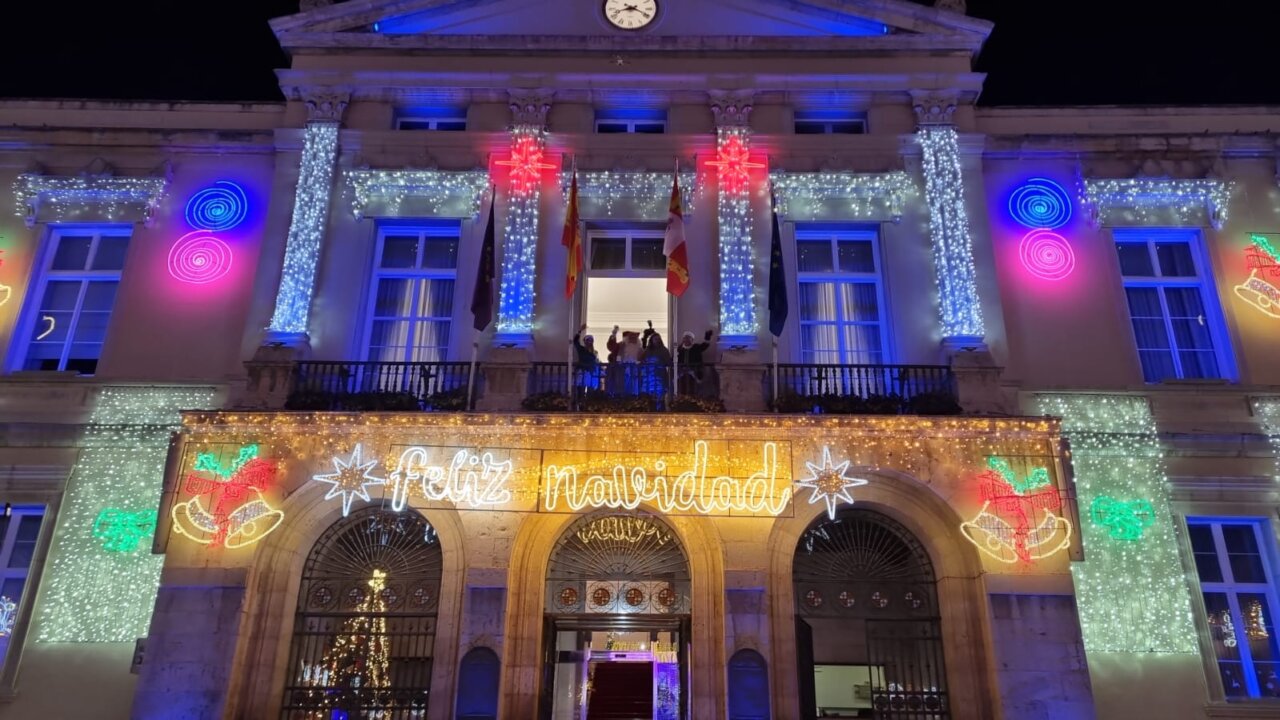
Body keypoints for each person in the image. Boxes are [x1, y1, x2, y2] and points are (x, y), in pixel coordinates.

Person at [677, 329, 716, 396]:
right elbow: (675, 358)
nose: (686, 340)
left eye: (689, 338)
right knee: (682, 388)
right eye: (685, 338)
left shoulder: (696, 347)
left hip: (694, 372)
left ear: (692, 340)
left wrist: (707, 336)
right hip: (682, 373)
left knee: (694, 388)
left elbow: (705, 345)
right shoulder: (679, 349)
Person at [641, 327, 672, 397]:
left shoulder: (664, 350)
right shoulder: (647, 350)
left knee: (660, 397)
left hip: (660, 376)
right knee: (648, 397)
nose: (657, 341)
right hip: (648, 376)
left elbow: (668, 362)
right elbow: (642, 360)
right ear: (651, 340)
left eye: (658, 339)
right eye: (655, 339)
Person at [571, 323, 600, 390]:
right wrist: (580, 330)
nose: (589, 342)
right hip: (582, 372)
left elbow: (597, 361)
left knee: (591, 390)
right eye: (588, 340)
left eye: (591, 340)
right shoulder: (581, 349)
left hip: (591, 373)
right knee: (581, 389)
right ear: (585, 342)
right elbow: (575, 341)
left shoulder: (595, 352)